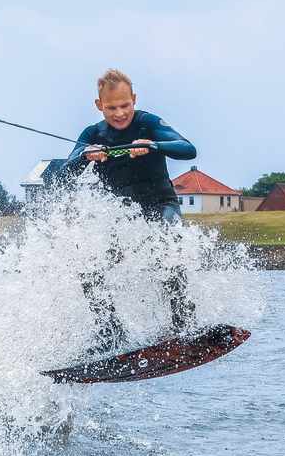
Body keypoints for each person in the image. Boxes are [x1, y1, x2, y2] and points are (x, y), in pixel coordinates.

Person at [56, 68, 198, 357]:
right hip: (123, 218)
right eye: (111, 108)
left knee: (167, 243)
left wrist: (153, 145)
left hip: (161, 206)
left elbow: (188, 149)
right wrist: (85, 156)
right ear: (99, 106)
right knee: (90, 263)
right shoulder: (92, 134)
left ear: (134, 99)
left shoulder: (148, 123)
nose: (119, 113)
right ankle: (110, 330)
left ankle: (182, 320)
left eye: (125, 105)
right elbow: (63, 174)